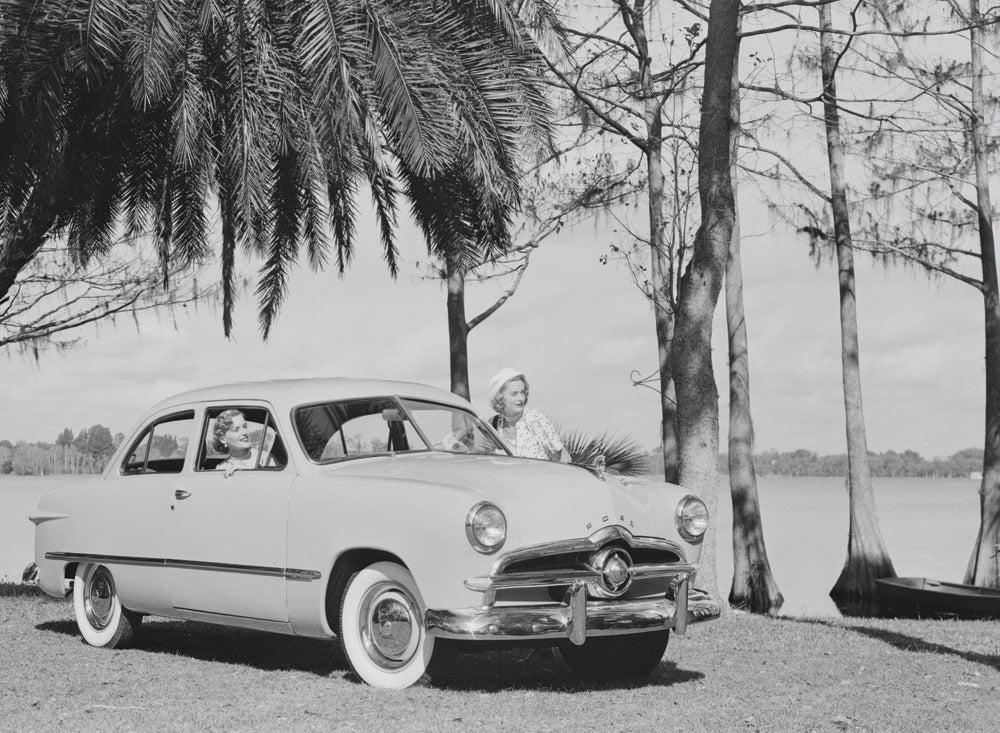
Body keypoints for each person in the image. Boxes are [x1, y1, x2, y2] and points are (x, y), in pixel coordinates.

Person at [488, 368, 570, 462]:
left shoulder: (535, 419)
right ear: (500, 398)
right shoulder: (493, 425)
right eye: (514, 394)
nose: (521, 398)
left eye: (522, 392)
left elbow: (565, 459)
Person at [212, 409, 265, 475]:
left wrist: (245, 471)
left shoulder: (265, 458)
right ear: (223, 439)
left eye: (245, 426)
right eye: (236, 430)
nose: (245, 432)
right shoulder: (221, 468)